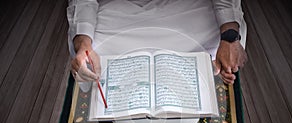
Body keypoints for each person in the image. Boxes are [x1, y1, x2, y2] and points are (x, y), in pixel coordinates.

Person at [67, 0, 247, 85]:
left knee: (225, 34)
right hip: (122, 9)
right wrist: (84, 45)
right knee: (92, 46)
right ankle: (201, 63)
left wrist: (229, 37)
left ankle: (206, 63)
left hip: (185, 10)